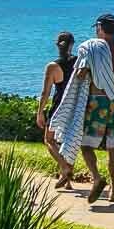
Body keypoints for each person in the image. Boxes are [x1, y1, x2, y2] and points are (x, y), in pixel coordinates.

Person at [55, 13, 114, 203]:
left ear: (100, 28)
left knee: (86, 145)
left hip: (97, 101)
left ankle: (98, 178)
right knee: (113, 146)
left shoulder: (92, 50)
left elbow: (81, 74)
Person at [35, 32, 77, 187]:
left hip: (59, 106)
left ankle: (65, 168)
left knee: (49, 140)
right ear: (72, 44)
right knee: (67, 142)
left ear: (57, 45)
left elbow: (45, 92)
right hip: (74, 105)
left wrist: (40, 112)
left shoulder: (52, 66)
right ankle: (67, 181)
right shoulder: (78, 63)